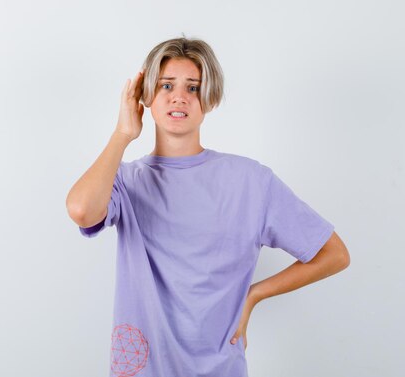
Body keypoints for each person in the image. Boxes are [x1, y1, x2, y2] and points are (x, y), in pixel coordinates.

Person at [65, 36, 350, 377]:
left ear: (210, 99)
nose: (179, 97)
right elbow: (81, 209)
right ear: (146, 94)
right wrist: (123, 133)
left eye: (193, 87)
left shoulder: (250, 181)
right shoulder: (125, 182)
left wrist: (254, 295)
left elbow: (333, 254)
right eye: (166, 85)